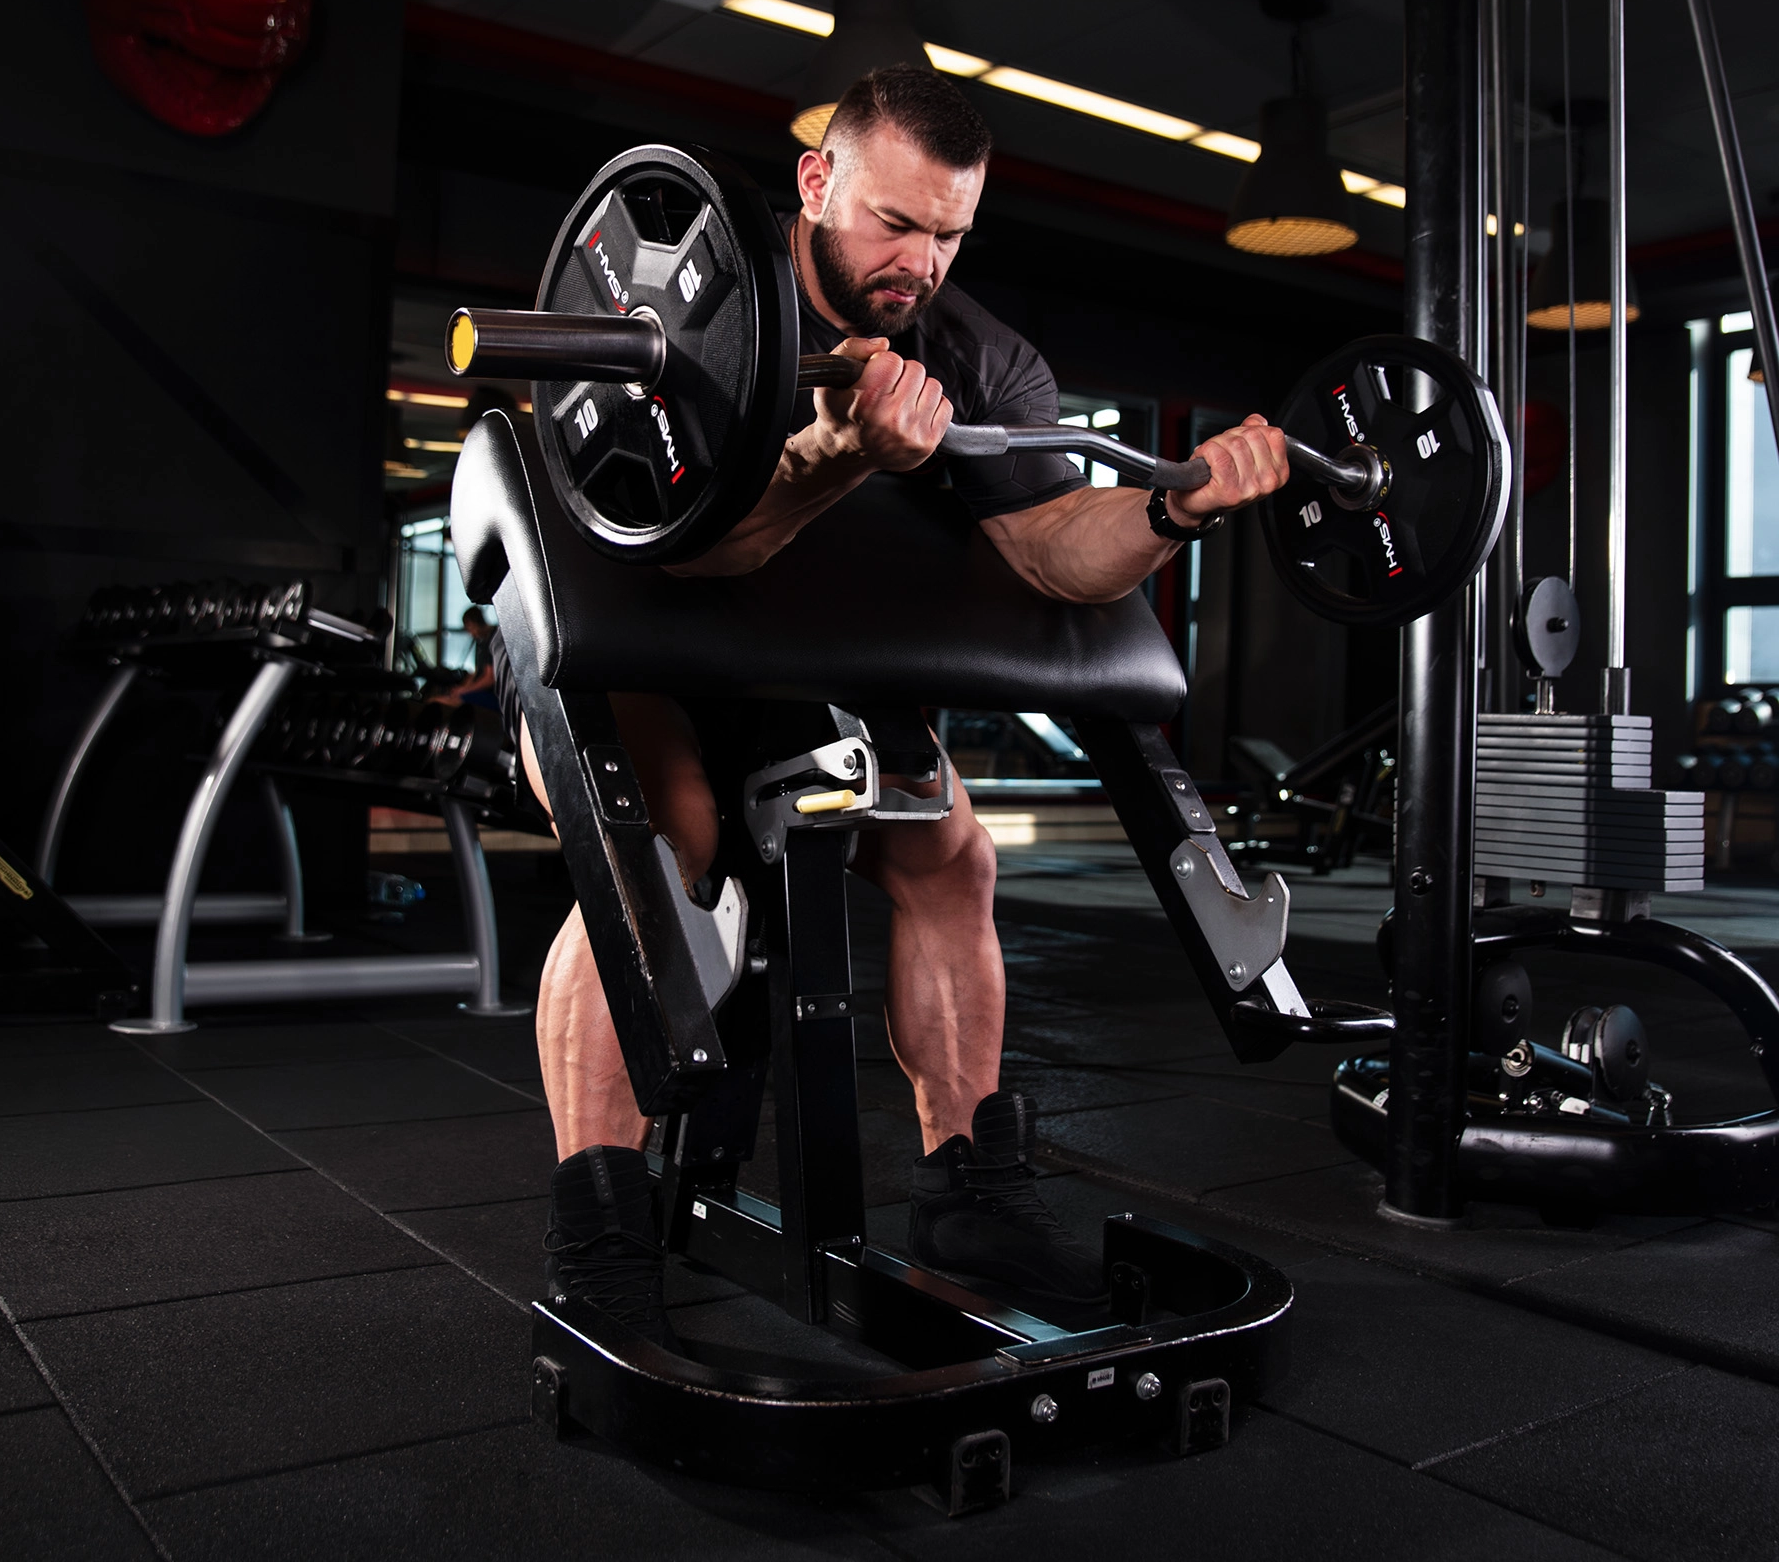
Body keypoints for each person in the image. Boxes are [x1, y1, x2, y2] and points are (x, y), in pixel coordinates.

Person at [514, 65, 1290, 1344]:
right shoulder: (693, 294)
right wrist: (838, 454)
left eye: (950, 235)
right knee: (668, 844)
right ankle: (599, 1235)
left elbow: (1053, 549)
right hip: (624, 656)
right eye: (896, 222)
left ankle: (969, 1193)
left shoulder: (979, 356)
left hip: (804, 672)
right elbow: (693, 559)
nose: (920, 263)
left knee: (951, 856)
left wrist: (1173, 506)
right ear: (817, 182)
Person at [426, 607, 497, 709]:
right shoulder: (481, 641)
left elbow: (489, 678)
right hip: (482, 692)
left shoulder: (494, 638)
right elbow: (477, 672)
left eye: (469, 628)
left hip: (494, 694)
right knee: (438, 698)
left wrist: (465, 690)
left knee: (440, 702)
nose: (470, 633)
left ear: (474, 623)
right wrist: (462, 688)